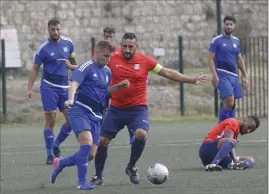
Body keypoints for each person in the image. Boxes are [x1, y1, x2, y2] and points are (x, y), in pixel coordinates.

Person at [91, 32, 208, 185]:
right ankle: (98, 176)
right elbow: (93, 67)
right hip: (116, 109)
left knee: (141, 134)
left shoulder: (145, 61)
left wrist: (191, 80)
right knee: (102, 141)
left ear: (136, 46)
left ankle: (131, 166)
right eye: (124, 46)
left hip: (137, 110)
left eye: (130, 47)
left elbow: (168, 72)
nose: (127, 49)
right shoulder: (112, 59)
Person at [50, 40, 130, 190]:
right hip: (80, 109)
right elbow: (74, 82)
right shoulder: (86, 66)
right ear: (96, 52)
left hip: (97, 115)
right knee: (86, 142)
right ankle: (82, 183)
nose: (108, 59)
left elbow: (104, 91)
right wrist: (71, 99)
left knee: (90, 155)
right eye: (105, 55)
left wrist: (118, 87)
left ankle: (61, 163)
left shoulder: (107, 71)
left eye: (110, 57)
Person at [26, 19, 78, 164]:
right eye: (52, 30)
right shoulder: (43, 48)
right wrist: (29, 89)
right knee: (51, 119)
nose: (56, 32)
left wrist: (78, 78)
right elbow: (35, 68)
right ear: (48, 30)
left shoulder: (68, 43)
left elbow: (74, 63)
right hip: (48, 87)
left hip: (65, 88)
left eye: (57, 29)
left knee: (72, 121)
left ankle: (56, 145)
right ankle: (50, 155)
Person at [93, 26, 135, 145]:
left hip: (118, 84)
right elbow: (94, 64)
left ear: (114, 36)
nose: (108, 38)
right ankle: (103, 135)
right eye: (106, 36)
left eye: (110, 36)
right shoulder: (99, 50)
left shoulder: (119, 50)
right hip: (105, 84)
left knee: (127, 106)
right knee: (103, 109)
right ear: (103, 36)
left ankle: (132, 134)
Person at [208, 15, 248, 123]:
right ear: (223, 25)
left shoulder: (236, 41)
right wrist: (214, 74)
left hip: (234, 75)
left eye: (231, 24)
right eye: (227, 24)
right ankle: (219, 127)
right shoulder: (216, 41)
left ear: (234, 26)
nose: (228, 26)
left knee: (232, 104)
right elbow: (210, 59)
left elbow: (239, 60)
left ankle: (229, 130)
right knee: (229, 102)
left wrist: (245, 76)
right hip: (222, 74)